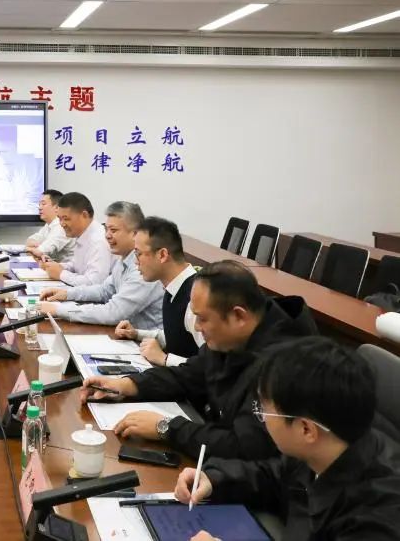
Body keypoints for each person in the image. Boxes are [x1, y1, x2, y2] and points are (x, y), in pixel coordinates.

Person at [80, 260, 318, 460]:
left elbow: (245, 447)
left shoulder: (284, 365)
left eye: (202, 319)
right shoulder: (232, 337)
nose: (196, 327)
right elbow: (189, 375)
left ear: (238, 316)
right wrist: (127, 385)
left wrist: (166, 428)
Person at [176, 338, 400, 541]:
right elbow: (276, 477)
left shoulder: (376, 519)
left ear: (306, 429)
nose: (261, 418)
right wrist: (215, 479)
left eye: (264, 410)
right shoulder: (329, 445)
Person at [40, 202, 163, 330]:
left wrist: (59, 310)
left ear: (135, 234)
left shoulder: (143, 267)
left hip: (144, 339)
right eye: (106, 229)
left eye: (113, 230)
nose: (107, 235)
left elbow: (114, 313)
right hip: (126, 333)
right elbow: (104, 291)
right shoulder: (125, 259)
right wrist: (67, 294)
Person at [115, 216, 204, 366]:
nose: (136, 262)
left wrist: (164, 358)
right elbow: (176, 336)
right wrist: (136, 333)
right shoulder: (173, 287)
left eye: (138, 254)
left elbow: (213, 366)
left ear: (162, 255)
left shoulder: (194, 300)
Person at [38, 192, 113, 286]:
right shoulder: (82, 234)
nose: (62, 224)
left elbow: (94, 283)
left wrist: (61, 274)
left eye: (66, 219)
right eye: (59, 219)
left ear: (84, 215)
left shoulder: (99, 240)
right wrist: (55, 266)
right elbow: (76, 266)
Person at [25, 189, 74, 262]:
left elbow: (41, 251)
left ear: (57, 207)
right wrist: (33, 247)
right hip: (54, 266)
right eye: (39, 204)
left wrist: (28, 249)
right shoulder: (49, 225)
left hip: (67, 268)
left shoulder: (61, 226)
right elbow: (30, 240)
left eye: (43, 204)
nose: (39, 208)